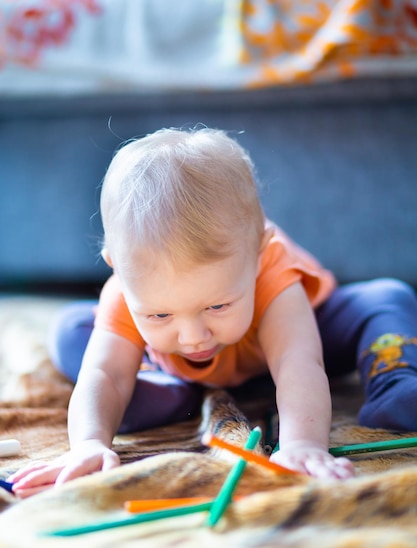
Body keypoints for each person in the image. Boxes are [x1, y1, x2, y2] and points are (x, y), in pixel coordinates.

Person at [11, 127, 417, 493]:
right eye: (160, 315)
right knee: (73, 332)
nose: (192, 337)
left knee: (385, 299)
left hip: (296, 342)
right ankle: (165, 390)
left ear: (259, 254)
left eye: (218, 304)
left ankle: (393, 381)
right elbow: (104, 372)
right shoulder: (125, 291)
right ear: (117, 268)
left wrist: (302, 446)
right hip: (170, 364)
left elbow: (299, 363)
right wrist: (89, 443)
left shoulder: (272, 274)